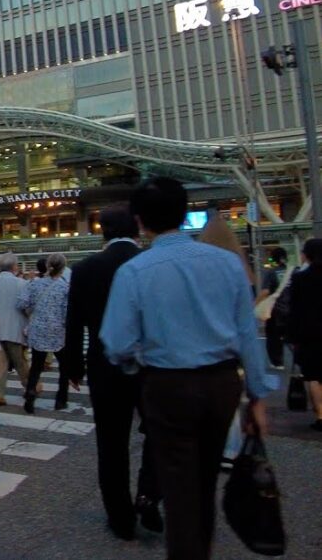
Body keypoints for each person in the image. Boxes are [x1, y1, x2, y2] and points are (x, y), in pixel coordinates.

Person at [101, 178, 272, 560]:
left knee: (179, 486)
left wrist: (135, 363)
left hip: (167, 384)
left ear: (140, 221)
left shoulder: (136, 271)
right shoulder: (227, 263)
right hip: (222, 383)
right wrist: (257, 396)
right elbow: (248, 333)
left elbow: (116, 342)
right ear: (183, 214)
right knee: (205, 480)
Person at [60, 205, 160, 540]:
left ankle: (120, 519)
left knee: (111, 443)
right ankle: (149, 492)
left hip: (104, 363)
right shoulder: (151, 263)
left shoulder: (86, 268)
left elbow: (73, 323)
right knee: (160, 432)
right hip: (153, 364)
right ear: (138, 228)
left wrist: (72, 366)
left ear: (100, 231)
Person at [17, 254, 69, 413]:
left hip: (38, 327)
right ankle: (61, 399)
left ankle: (30, 394)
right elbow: (67, 312)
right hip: (57, 329)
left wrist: (31, 310)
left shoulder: (34, 285)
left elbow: (21, 303)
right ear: (63, 267)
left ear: (47, 265)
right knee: (64, 365)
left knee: (36, 365)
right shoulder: (65, 287)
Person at [0, 253, 28, 407]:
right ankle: (30, 387)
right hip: (15, 328)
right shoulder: (22, 284)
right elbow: (26, 307)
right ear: (15, 267)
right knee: (20, 362)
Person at [288, 238, 322, 431]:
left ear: (307, 255)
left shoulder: (300, 278)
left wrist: (292, 336)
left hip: (309, 334)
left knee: (313, 376)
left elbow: (295, 309)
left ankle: (320, 415)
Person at [256, 246, 289, 368]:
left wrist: (256, 304)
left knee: (273, 337)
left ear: (273, 259)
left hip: (275, 310)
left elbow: (265, 292)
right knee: (292, 336)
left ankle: (277, 362)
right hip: (291, 309)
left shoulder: (271, 273)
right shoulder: (293, 271)